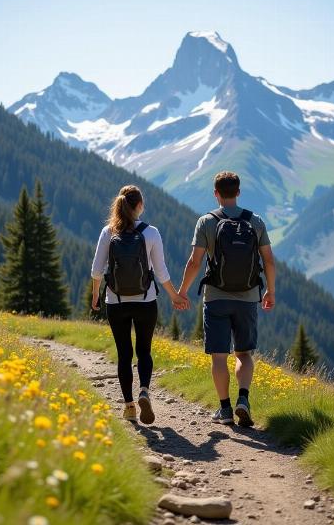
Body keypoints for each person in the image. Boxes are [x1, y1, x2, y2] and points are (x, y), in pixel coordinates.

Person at [178, 172, 275, 426]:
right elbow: (269, 260)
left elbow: (195, 261)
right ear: (238, 192)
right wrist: (270, 291)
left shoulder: (207, 222)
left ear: (216, 193)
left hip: (216, 298)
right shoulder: (255, 221)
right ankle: (243, 398)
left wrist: (183, 291)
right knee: (243, 354)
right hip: (247, 297)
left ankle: (225, 410)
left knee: (219, 356)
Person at [91, 185, 186, 424]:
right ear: (140, 206)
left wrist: (95, 296)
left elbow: (96, 270)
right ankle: (144, 390)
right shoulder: (151, 232)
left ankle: (130, 406)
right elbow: (161, 271)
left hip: (116, 301)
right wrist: (175, 296)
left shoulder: (108, 232)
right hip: (146, 301)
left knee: (124, 354)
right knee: (144, 350)